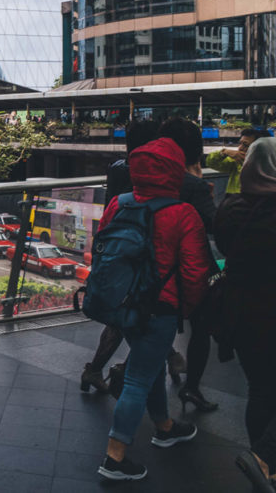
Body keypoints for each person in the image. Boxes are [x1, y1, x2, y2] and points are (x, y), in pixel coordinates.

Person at [97, 137, 211, 481]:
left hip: (122, 304)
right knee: (137, 377)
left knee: (149, 365)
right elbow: (194, 271)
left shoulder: (120, 203)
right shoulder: (183, 213)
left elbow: (101, 246)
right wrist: (187, 309)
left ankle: (164, 427)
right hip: (160, 308)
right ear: (176, 171)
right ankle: (115, 458)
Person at [84, 119, 187, 391]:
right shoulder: (158, 176)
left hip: (116, 250)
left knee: (123, 318)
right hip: (146, 255)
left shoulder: (117, 168)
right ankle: (131, 370)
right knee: (145, 319)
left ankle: (96, 370)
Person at [215, 137, 276, 493]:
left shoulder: (230, 208)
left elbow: (223, 247)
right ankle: (262, 459)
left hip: (239, 311)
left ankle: (264, 472)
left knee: (262, 389)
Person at [159, 117, 220, 411]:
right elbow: (214, 225)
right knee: (202, 327)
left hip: (159, 267)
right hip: (193, 269)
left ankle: (159, 366)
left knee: (158, 324)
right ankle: (192, 388)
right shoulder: (193, 186)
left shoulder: (152, 178)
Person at [206, 127, 266, 195]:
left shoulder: (267, 168)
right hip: (234, 201)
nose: (240, 148)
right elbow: (211, 162)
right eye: (240, 143)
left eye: (245, 145)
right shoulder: (236, 161)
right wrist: (223, 152)